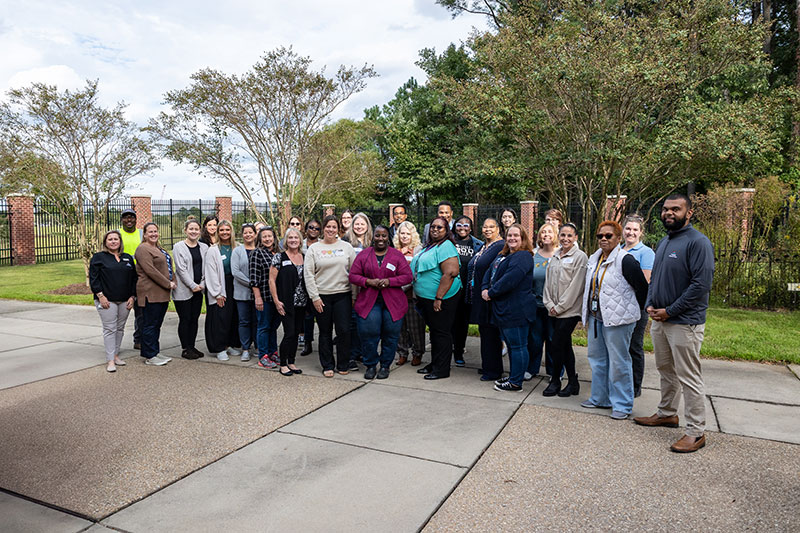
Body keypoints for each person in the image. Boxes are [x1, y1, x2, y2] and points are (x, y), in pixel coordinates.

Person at [634, 193, 715, 453]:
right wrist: (650, 303)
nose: (669, 213)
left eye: (676, 209)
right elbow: (655, 278)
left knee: (689, 376)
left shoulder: (698, 242)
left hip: (684, 323)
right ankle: (667, 413)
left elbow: (700, 286)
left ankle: (695, 432)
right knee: (666, 370)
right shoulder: (665, 241)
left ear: (688, 213)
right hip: (661, 319)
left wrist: (670, 310)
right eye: (666, 209)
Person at [580, 221, 648, 420]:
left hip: (619, 320)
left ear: (618, 239)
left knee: (619, 362)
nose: (603, 239)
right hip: (596, 317)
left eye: (608, 236)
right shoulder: (595, 259)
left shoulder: (626, 260)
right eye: (600, 236)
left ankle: (622, 404)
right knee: (597, 359)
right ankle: (600, 398)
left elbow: (642, 289)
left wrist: (634, 313)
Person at [350, 225, 413, 380]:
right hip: (370, 302)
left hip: (393, 303)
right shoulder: (364, 255)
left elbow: (407, 276)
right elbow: (353, 275)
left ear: (388, 238)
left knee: (391, 336)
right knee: (368, 334)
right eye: (377, 235)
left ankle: (385, 366)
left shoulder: (396, 255)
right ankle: (370, 365)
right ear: (373, 237)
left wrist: (389, 281)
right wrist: (368, 281)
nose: (380, 239)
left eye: (384, 236)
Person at [482, 224, 536, 392]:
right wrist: (484, 287)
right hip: (504, 310)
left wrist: (491, 292)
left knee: (518, 345)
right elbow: (489, 272)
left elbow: (510, 279)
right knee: (512, 345)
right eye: (509, 235)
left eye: (516, 236)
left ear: (523, 238)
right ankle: (515, 375)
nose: (512, 238)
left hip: (517, 309)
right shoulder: (503, 255)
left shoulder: (523, 256)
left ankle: (515, 383)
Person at [304, 215, 357, 377]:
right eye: (328, 226)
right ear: (323, 229)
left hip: (343, 296)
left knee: (343, 331)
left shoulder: (347, 247)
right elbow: (308, 274)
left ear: (338, 229)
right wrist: (315, 297)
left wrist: (354, 296)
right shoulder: (314, 249)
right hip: (322, 297)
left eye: (334, 227)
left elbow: (354, 273)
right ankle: (327, 365)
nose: (330, 230)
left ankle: (343, 363)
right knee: (325, 332)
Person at [411, 216, 462, 380]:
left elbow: (450, 273)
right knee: (435, 332)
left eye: (440, 227)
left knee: (441, 333)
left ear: (447, 231)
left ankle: (442, 369)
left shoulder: (446, 246)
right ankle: (435, 363)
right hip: (428, 298)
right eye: (433, 227)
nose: (435, 230)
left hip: (442, 298)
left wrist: (439, 297)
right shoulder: (432, 246)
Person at [542, 223, 587, 396]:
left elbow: (576, 287)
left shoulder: (580, 257)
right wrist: (549, 304)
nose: (565, 239)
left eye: (569, 235)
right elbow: (547, 283)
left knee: (557, 345)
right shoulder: (555, 256)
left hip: (569, 311)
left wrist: (560, 307)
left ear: (575, 237)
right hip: (553, 309)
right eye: (562, 235)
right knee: (565, 345)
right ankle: (573, 382)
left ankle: (555, 380)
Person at [89, 230, 137, 372]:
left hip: (125, 300)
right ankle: (110, 361)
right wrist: (100, 296)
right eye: (110, 239)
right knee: (110, 329)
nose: (113, 241)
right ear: (105, 242)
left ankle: (116, 355)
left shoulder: (127, 258)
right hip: (107, 300)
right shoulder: (98, 258)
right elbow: (94, 279)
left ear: (120, 242)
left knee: (120, 328)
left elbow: (134, 279)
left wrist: (132, 296)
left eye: (116, 239)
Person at [621, 214, 656, 397]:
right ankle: (621, 381)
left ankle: (635, 386)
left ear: (641, 233)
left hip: (637, 306)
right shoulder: (618, 249)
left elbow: (645, 280)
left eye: (635, 230)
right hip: (619, 307)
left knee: (634, 345)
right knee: (620, 347)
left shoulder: (646, 253)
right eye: (628, 229)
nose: (631, 232)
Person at [468, 218, 505, 381]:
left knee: (491, 333)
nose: (487, 229)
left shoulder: (500, 246)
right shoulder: (483, 246)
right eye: (485, 227)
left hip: (489, 296)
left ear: (498, 229)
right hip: (479, 295)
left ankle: (494, 370)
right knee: (485, 332)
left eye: (491, 227)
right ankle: (487, 366)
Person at [134, 222, 175, 366]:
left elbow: (168, 266)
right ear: (144, 234)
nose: (153, 234)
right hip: (150, 292)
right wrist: (167, 283)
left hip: (162, 293)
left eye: (155, 231)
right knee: (149, 325)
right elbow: (150, 271)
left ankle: (155, 351)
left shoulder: (158, 248)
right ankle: (150, 355)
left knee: (156, 324)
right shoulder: (142, 249)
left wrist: (173, 280)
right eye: (150, 232)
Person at [269, 227, 308, 376]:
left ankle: (291, 361)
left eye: (295, 238)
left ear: (300, 240)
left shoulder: (304, 256)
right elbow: (271, 280)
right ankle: (283, 363)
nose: (293, 240)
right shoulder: (279, 257)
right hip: (286, 303)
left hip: (302, 303)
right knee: (289, 333)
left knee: (297, 332)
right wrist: (276, 301)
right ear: (286, 240)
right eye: (290, 238)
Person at [204, 220, 242, 360]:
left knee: (233, 317)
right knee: (220, 317)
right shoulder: (213, 250)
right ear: (217, 232)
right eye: (222, 230)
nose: (225, 232)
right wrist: (217, 293)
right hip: (221, 284)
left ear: (231, 231)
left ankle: (229, 344)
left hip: (236, 285)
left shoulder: (237, 247)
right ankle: (219, 348)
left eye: (227, 230)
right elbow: (211, 273)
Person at [172, 218, 208, 360]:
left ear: (200, 231)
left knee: (194, 319)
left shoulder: (204, 247)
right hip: (183, 290)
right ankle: (185, 348)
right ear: (185, 230)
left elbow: (207, 268)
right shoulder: (178, 247)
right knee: (185, 319)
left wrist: (202, 285)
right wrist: (192, 285)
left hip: (199, 289)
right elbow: (181, 270)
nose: (194, 231)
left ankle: (192, 346)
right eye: (191, 229)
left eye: (196, 229)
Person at [342, 212, 373, 369]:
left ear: (367, 225)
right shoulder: (345, 241)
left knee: (366, 323)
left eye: (362, 223)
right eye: (357, 224)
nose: (359, 226)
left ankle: (362, 352)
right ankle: (351, 356)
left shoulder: (373, 242)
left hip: (369, 287)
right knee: (352, 322)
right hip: (350, 287)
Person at [526, 223, 558, 380]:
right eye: (543, 232)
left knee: (553, 340)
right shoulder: (532, 254)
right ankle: (532, 369)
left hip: (554, 307)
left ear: (555, 235)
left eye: (549, 232)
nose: (546, 234)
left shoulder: (561, 254)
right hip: (536, 305)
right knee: (534, 340)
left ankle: (554, 372)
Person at [451, 215, 482, 367]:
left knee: (462, 323)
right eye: (459, 225)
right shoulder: (448, 242)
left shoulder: (478, 244)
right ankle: (445, 350)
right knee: (447, 321)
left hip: (467, 290)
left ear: (471, 228)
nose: (462, 228)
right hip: (449, 288)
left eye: (466, 225)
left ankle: (458, 352)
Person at [394, 221, 425, 366]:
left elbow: (416, 273)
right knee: (399, 327)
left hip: (411, 295)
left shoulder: (418, 251)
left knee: (415, 327)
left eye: (408, 233)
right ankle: (402, 353)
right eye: (402, 233)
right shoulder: (393, 250)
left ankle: (417, 353)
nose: (405, 236)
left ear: (413, 235)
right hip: (395, 297)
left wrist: (401, 287)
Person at [250, 226, 282, 368]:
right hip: (264, 297)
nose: (268, 239)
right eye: (264, 237)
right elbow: (253, 278)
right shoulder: (257, 253)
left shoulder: (279, 253)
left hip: (277, 298)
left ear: (274, 238)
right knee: (264, 326)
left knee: (273, 327)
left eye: (270, 236)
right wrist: (258, 297)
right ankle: (263, 355)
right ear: (260, 239)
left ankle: (272, 352)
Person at [232, 223, 258, 361]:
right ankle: (246, 349)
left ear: (255, 234)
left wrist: (257, 287)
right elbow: (236, 272)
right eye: (245, 233)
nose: (248, 235)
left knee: (257, 321)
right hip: (242, 293)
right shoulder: (237, 251)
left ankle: (258, 347)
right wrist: (252, 283)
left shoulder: (260, 249)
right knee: (244, 321)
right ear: (242, 235)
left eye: (250, 232)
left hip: (259, 294)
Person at [118, 208, 143, 350]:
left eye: (131, 217)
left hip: (139, 276)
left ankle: (138, 339)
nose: (129, 220)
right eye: (126, 217)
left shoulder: (140, 233)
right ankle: (115, 344)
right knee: (120, 309)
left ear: (135, 219)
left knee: (140, 311)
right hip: (122, 276)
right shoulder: (118, 234)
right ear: (122, 219)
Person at [299, 219, 321, 355]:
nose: (313, 230)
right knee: (307, 316)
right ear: (306, 229)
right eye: (311, 227)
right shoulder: (300, 244)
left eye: (317, 228)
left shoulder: (323, 245)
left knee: (321, 314)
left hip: (319, 283)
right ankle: (307, 342)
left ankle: (325, 342)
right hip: (302, 283)